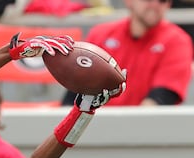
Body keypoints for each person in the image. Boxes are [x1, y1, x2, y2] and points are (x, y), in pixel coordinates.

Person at [61, 0, 193, 106]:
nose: (155, 4)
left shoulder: (178, 41)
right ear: (129, 1)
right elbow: (75, 92)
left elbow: (161, 99)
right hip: (92, 124)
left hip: (145, 132)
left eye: (162, 0)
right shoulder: (100, 33)